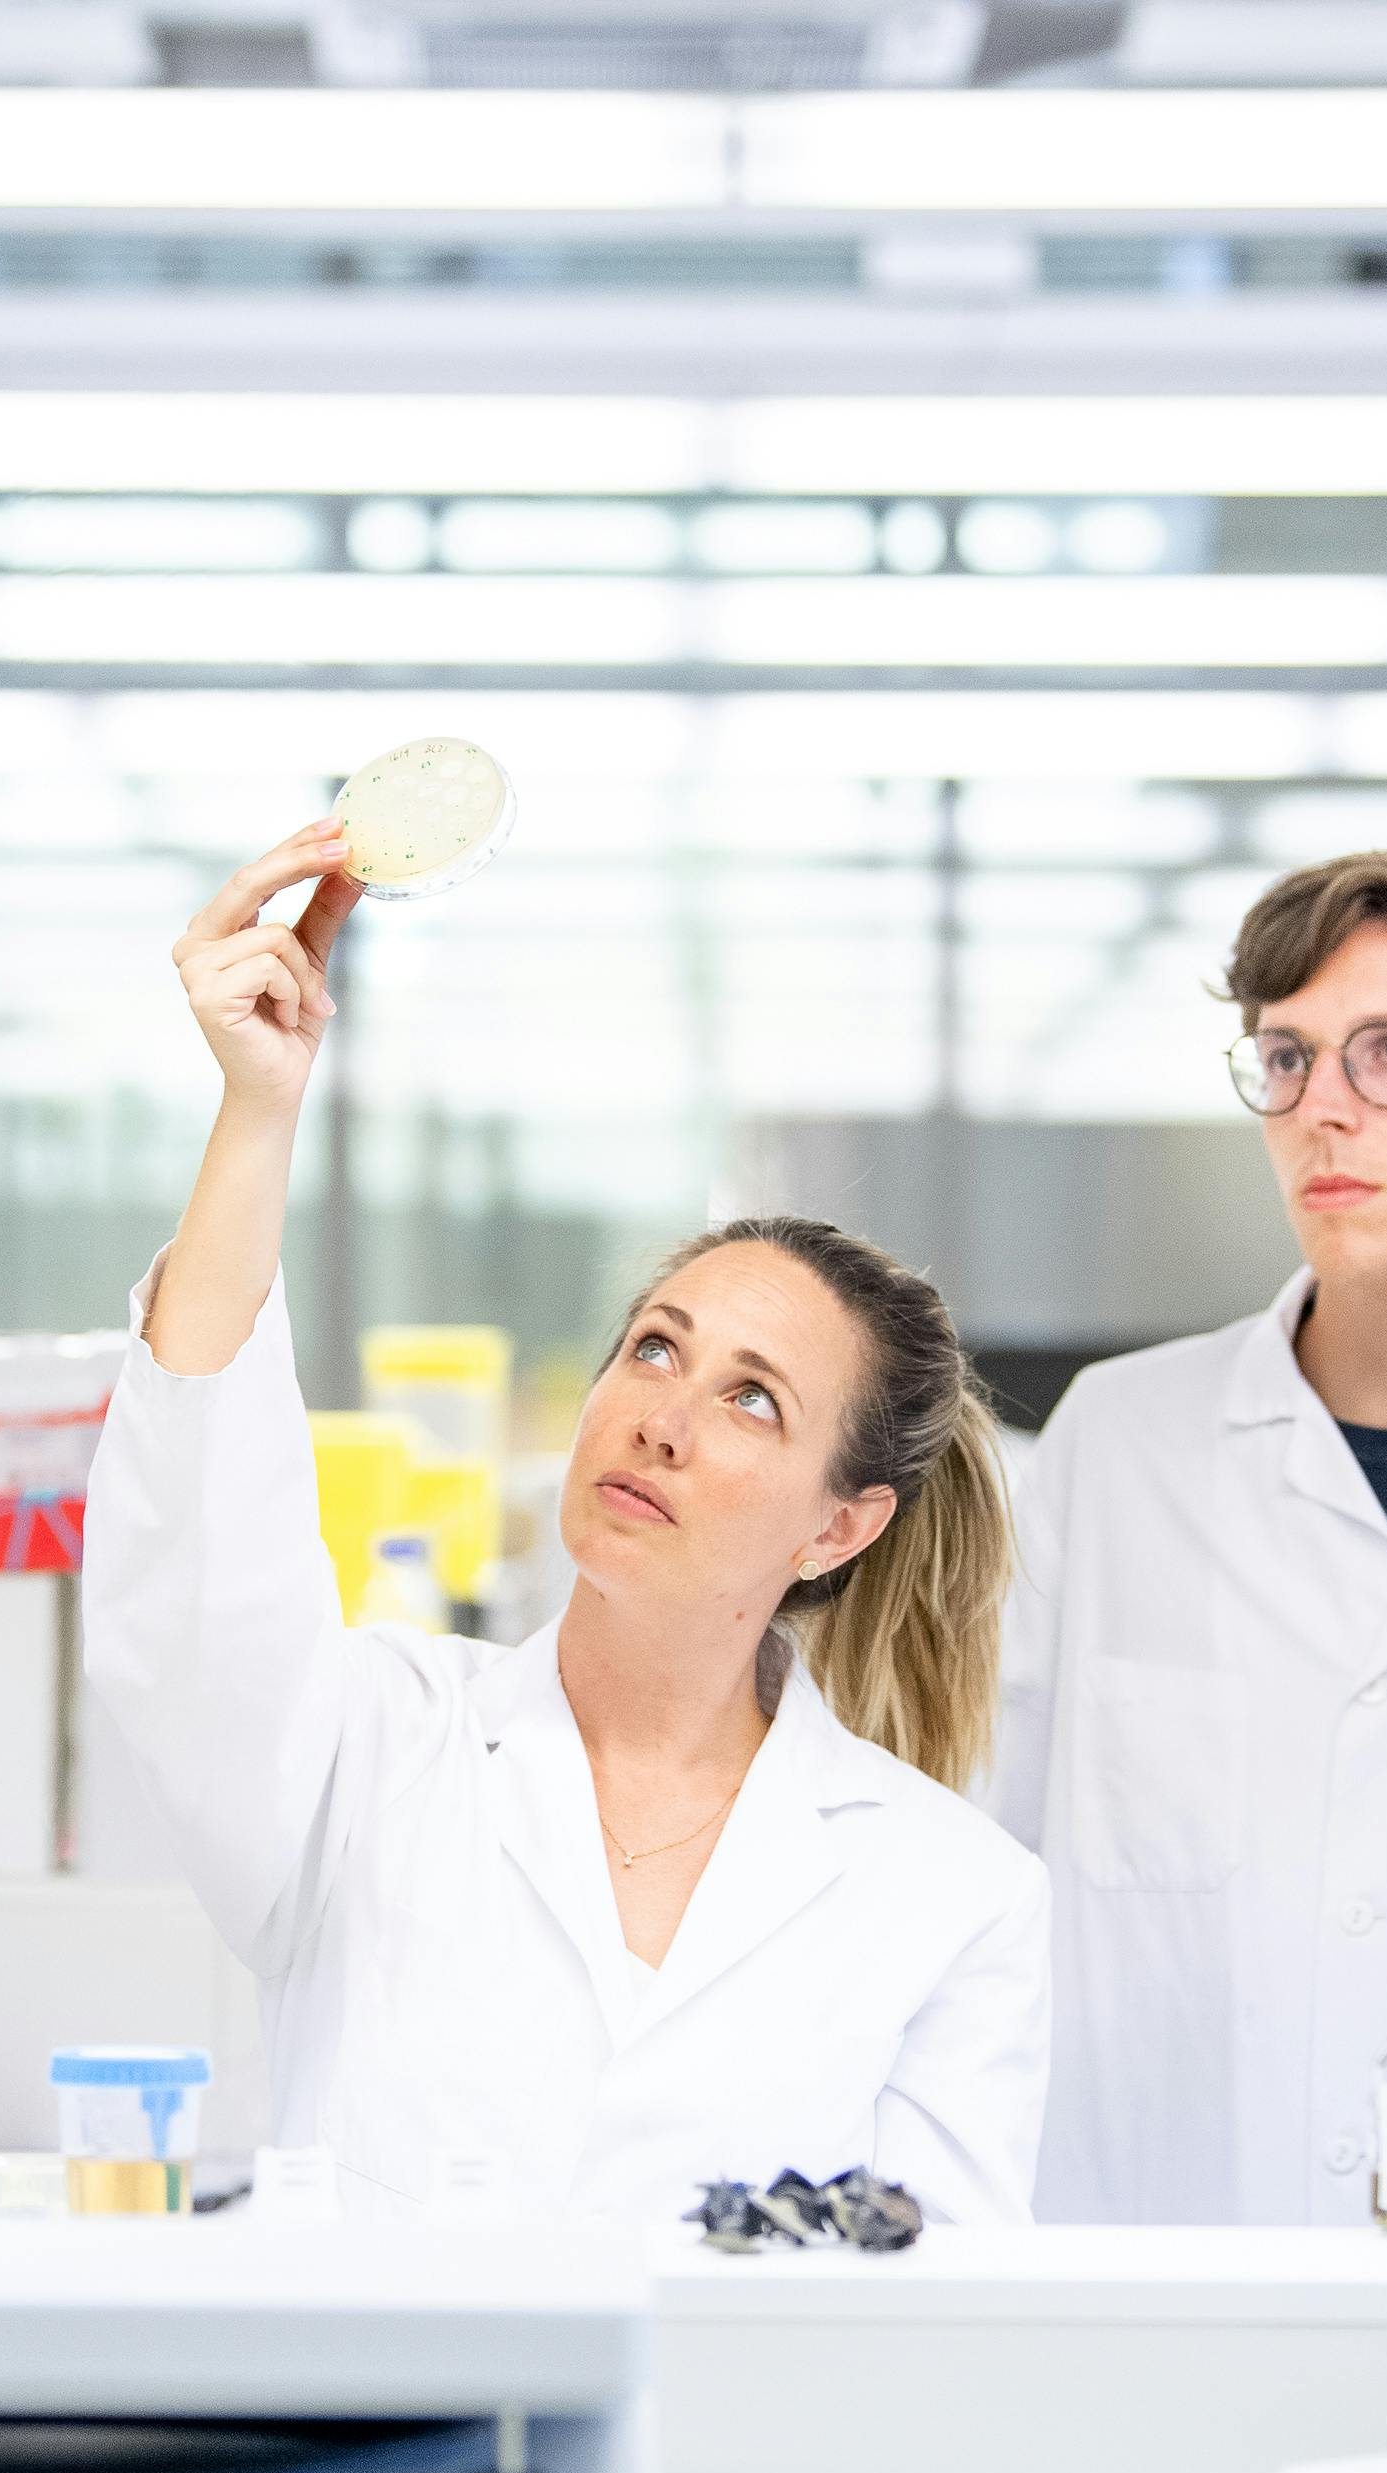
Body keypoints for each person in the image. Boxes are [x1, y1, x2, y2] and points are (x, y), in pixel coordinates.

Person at [81, 820, 1050, 2223]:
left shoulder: (952, 1897)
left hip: (732, 2448)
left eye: (754, 1401)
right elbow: (198, 1572)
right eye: (656, 1348)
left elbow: (926, 2323)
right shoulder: (378, 1749)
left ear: (840, 1529)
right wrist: (260, 1108)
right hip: (381, 2442)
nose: (663, 1414)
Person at [993, 849, 1387, 2223]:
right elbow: (985, 1856)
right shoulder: (1120, 1445)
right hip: (1161, 2266)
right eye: (1285, 1061)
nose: (1322, 1112)